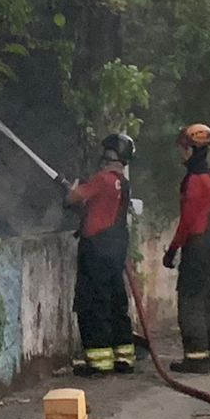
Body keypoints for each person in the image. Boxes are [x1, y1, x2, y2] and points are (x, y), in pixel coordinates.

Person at [65, 133, 137, 377]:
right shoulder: (122, 183)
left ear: (109, 154)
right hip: (116, 251)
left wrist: (73, 189)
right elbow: (102, 208)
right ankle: (124, 357)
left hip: (95, 251)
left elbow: (74, 197)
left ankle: (99, 362)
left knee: (93, 304)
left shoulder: (103, 179)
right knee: (116, 302)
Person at [162, 124, 210, 374]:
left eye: (182, 148)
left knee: (190, 302)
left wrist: (172, 251)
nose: (180, 153)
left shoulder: (193, 180)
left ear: (190, 149)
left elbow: (187, 222)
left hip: (198, 245)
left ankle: (197, 358)